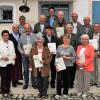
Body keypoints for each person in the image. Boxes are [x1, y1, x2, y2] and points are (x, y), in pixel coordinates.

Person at [55, 34, 76, 99]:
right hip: (60, 66)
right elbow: (56, 57)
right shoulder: (59, 47)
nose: (65, 40)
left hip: (68, 66)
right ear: (62, 39)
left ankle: (65, 93)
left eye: (67, 38)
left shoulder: (71, 47)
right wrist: (56, 66)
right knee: (58, 80)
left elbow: (74, 58)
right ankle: (58, 93)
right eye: (64, 38)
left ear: (69, 40)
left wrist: (67, 58)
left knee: (66, 80)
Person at [18, 23, 37, 89]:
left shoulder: (35, 36)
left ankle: (33, 83)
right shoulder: (21, 36)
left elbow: (37, 45)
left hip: (33, 56)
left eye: (28, 28)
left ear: (30, 29)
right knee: (26, 69)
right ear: (24, 29)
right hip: (24, 56)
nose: (27, 29)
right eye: (26, 28)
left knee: (33, 69)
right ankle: (26, 83)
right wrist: (23, 52)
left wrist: (34, 52)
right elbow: (19, 46)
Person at [0, 30, 16, 96]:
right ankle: (3, 91)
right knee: (3, 78)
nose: (6, 36)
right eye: (5, 35)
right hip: (3, 63)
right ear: (2, 36)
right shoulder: (0, 43)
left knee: (9, 78)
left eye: (7, 35)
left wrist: (15, 55)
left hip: (10, 62)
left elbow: (13, 50)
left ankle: (8, 90)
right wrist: (2, 57)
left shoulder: (11, 42)